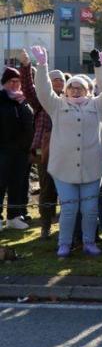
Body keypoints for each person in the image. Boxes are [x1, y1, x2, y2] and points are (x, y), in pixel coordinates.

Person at [32, 46, 102, 258]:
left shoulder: (97, 106)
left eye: (80, 87)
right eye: (72, 87)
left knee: (90, 209)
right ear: (66, 91)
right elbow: (42, 90)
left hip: (92, 167)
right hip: (63, 168)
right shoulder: (57, 106)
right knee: (69, 209)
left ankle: (89, 242)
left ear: (88, 90)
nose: (76, 90)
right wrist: (42, 66)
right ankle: (65, 243)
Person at [19, 50, 62, 237]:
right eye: (54, 79)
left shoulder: (71, 99)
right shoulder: (42, 101)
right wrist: (26, 66)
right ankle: (45, 224)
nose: (58, 82)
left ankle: (68, 224)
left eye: (61, 79)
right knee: (46, 187)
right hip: (43, 151)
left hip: (67, 151)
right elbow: (28, 89)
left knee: (67, 188)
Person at [0, 66, 33, 231]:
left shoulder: (23, 100)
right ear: (5, 82)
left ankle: (13, 216)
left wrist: (22, 104)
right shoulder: (1, 99)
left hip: (21, 151)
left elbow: (29, 123)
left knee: (17, 183)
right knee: (0, 183)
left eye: (18, 82)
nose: (15, 85)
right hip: (3, 149)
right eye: (12, 81)